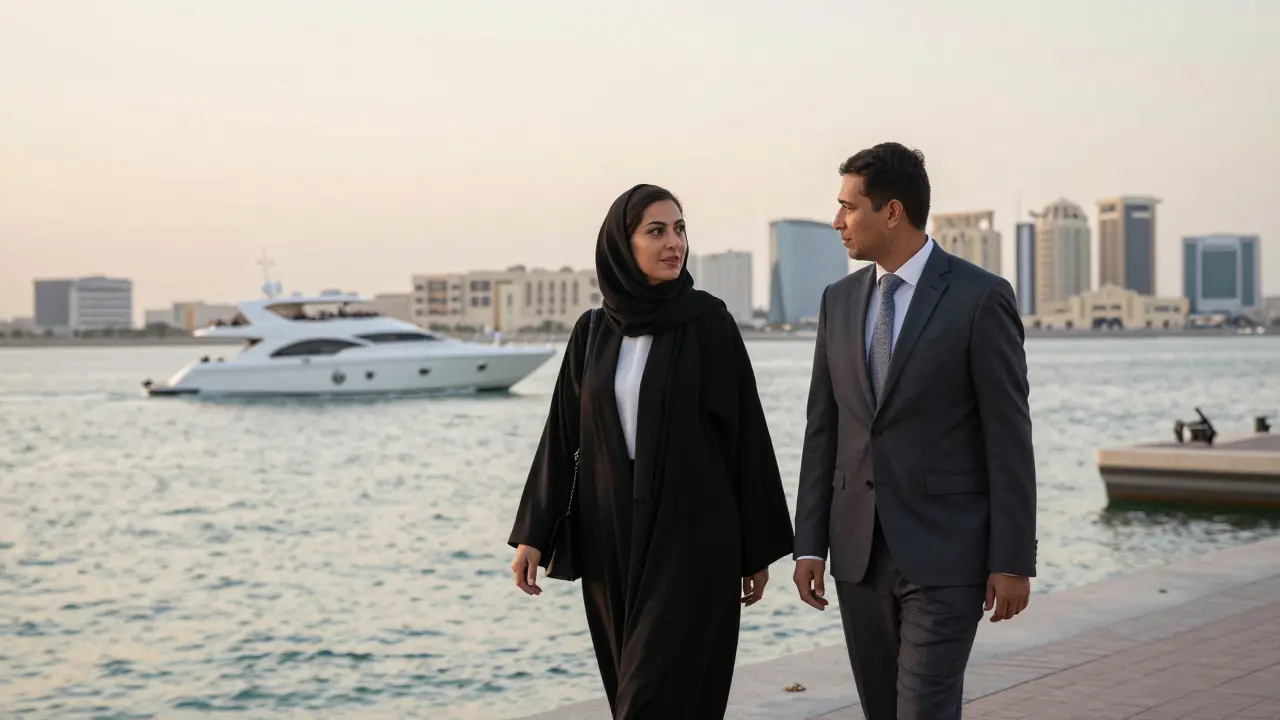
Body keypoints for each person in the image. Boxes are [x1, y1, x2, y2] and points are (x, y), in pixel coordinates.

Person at [509, 184, 794, 719]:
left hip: (693, 535)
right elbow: (563, 435)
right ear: (623, 244)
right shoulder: (592, 332)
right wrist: (534, 534)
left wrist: (755, 548)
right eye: (657, 231)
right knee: (629, 683)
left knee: (649, 697)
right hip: (609, 535)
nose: (674, 243)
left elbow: (746, 437)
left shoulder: (709, 323)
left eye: (679, 229)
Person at [791, 143, 1037, 720]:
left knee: (924, 708)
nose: (837, 221)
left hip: (947, 554)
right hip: (858, 554)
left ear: (892, 212)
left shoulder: (980, 297)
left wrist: (1012, 558)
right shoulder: (838, 301)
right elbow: (822, 429)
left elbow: (1009, 437)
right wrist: (809, 544)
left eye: (849, 207)